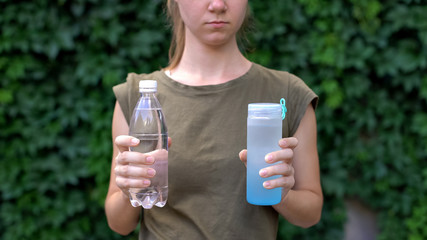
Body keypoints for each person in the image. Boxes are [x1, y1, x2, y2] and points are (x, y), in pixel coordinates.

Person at [105, 0, 323, 239]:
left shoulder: (286, 93)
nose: (218, 4)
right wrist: (130, 189)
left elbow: (311, 213)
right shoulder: (139, 97)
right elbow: (119, 223)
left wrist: (282, 194)